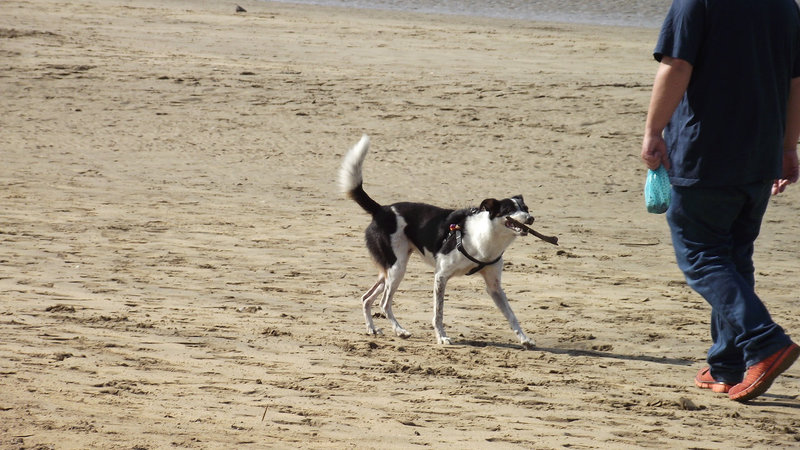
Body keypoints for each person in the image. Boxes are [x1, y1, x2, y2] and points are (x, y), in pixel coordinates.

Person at [641, 0, 800, 402]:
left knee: (702, 255)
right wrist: (788, 147)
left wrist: (653, 131)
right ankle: (726, 365)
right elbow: (796, 81)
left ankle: (765, 342)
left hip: (707, 152)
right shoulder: (785, 5)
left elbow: (677, 66)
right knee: (733, 257)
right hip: (760, 151)